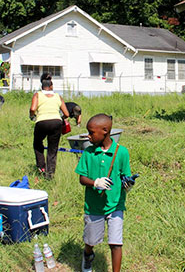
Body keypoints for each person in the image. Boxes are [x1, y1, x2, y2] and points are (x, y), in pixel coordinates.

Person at [75, 114, 133, 272]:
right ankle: (88, 256)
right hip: (94, 205)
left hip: (115, 203)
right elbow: (82, 178)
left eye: (91, 132)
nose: (88, 135)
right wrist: (95, 182)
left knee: (116, 243)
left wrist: (127, 184)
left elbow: (124, 175)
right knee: (91, 240)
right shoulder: (88, 153)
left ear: (105, 131)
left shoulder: (121, 152)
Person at [29, 79, 70, 178]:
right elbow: (67, 114)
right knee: (52, 149)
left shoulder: (38, 95)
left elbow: (33, 109)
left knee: (37, 144)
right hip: (56, 122)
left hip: (42, 122)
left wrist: (32, 116)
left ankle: (41, 167)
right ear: (51, 86)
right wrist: (60, 118)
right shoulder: (58, 96)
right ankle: (50, 175)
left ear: (41, 87)